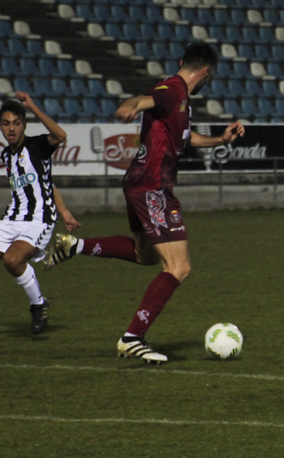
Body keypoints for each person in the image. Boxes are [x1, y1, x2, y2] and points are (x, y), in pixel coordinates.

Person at [43, 43, 245, 365]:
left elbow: (184, 137)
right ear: (206, 72)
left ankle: (75, 246)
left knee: (145, 254)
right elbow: (145, 100)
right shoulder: (172, 90)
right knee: (179, 267)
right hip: (153, 186)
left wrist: (220, 140)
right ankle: (133, 337)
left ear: (182, 61)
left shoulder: (180, 100)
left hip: (140, 183)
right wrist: (131, 105)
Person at [0, 91, 68, 334]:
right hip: (11, 218)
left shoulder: (37, 145)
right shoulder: (6, 155)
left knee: (12, 259)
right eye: (6, 124)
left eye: (17, 123)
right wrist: (66, 211)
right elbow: (47, 182)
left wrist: (33, 107)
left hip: (38, 221)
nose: (11, 129)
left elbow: (61, 135)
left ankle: (38, 305)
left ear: (24, 125)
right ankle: (39, 302)